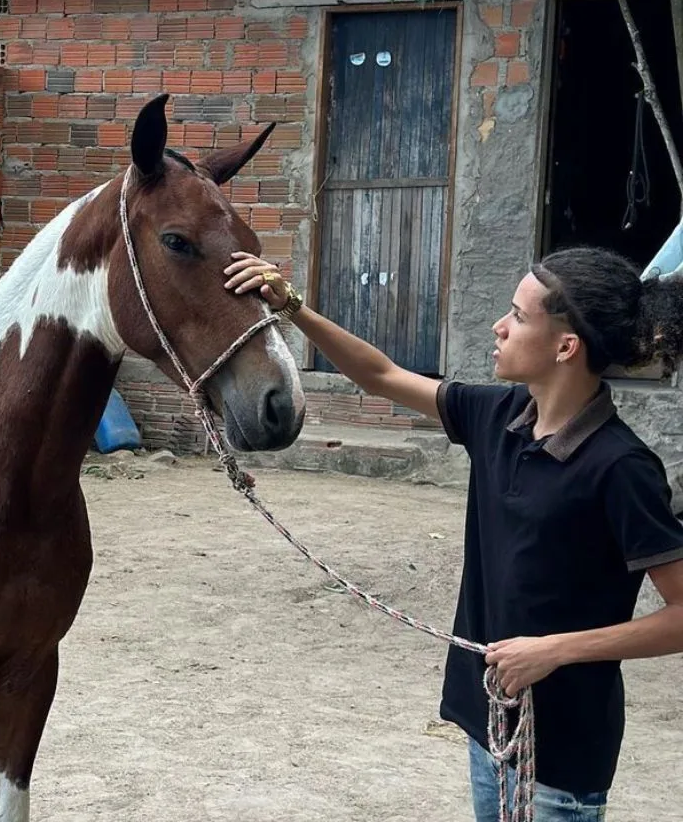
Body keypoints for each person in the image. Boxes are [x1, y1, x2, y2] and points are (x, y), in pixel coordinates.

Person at [225, 246, 683, 821]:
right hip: (487, 720)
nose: (499, 326)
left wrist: (556, 651)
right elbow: (381, 374)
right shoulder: (497, 416)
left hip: (562, 756)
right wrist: (293, 308)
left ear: (567, 347)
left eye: (517, 316)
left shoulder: (621, 468)